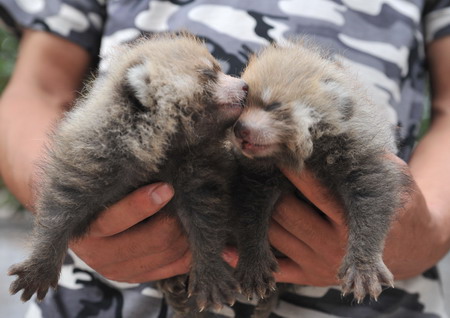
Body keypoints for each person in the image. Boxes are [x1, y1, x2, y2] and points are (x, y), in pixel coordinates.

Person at [0, 0, 449, 317]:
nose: (239, 108)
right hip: (104, 298)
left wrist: (432, 228)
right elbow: (38, 88)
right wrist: (63, 222)